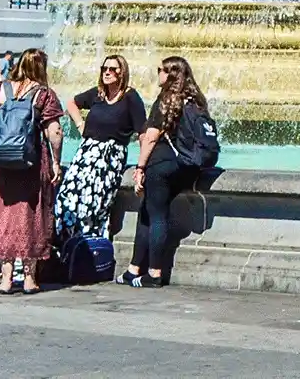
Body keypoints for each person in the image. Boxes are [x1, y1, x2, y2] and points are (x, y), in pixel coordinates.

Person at [0, 47, 64, 295]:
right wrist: (57, 161)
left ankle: (5, 279)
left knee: (1, 216)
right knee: (32, 216)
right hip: (32, 163)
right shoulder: (44, 94)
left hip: (0, 163)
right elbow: (54, 132)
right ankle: (29, 279)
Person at [124, 55, 211, 287]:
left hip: (161, 165)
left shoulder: (166, 99)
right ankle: (133, 270)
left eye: (160, 70)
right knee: (147, 213)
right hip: (186, 167)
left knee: (157, 215)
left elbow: (151, 137)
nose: (158, 74)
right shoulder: (195, 100)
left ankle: (154, 273)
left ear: (170, 74)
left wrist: (140, 167)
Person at [58, 54, 146, 244]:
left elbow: (143, 133)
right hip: (86, 152)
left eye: (112, 69)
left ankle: (91, 246)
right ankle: (68, 245)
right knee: (66, 197)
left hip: (110, 156)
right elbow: (72, 103)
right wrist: (80, 124)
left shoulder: (130, 97)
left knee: (93, 203)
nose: (107, 72)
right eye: (104, 68)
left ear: (122, 72)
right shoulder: (98, 93)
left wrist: (142, 165)